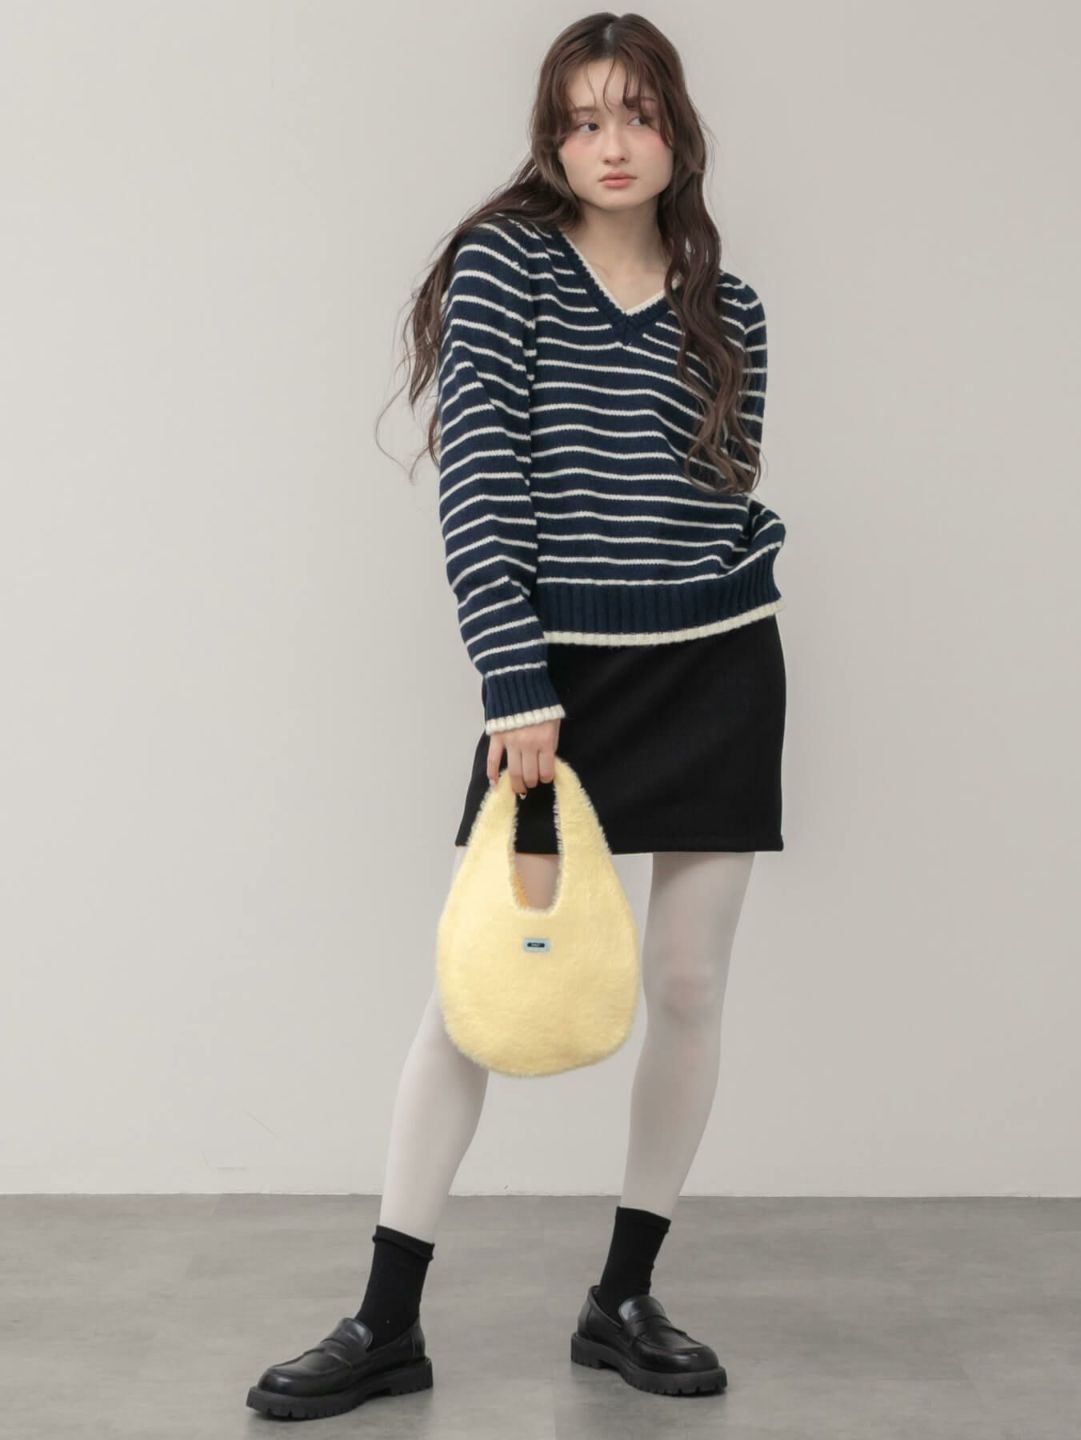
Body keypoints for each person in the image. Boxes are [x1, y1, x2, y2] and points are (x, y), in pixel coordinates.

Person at [245, 11, 787, 1421]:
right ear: (550, 138)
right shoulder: (507, 268)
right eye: (582, 119)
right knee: (477, 994)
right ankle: (384, 1322)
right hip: (562, 686)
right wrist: (517, 682)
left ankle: (624, 1298)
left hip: (717, 664)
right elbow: (481, 484)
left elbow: (721, 482)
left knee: (688, 985)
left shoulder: (728, 305)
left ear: (678, 130)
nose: (612, 144)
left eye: (637, 114)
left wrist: (729, 576)